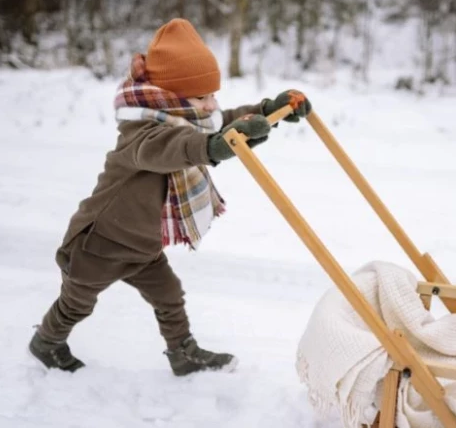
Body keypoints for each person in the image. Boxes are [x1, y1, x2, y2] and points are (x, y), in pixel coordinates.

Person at [28, 18, 312, 376]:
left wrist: (269, 111)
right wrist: (213, 146)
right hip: (99, 243)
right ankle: (47, 342)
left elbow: (222, 121)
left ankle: (183, 353)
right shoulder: (140, 132)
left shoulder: (188, 117)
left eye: (212, 95)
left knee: (169, 296)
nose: (211, 105)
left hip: (143, 246)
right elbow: (172, 148)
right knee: (76, 304)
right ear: (173, 97)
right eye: (202, 97)